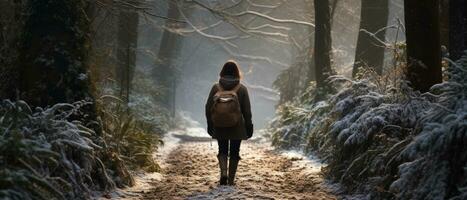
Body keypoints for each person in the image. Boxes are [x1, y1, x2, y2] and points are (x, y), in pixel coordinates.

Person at [205, 60, 253, 186]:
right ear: (237, 73)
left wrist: (210, 124)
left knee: (222, 150)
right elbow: (247, 111)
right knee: (234, 152)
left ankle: (223, 174)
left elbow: (208, 107)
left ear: (222, 72)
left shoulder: (216, 88)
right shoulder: (242, 89)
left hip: (219, 126)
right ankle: (231, 180)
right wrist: (249, 127)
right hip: (237, 127)